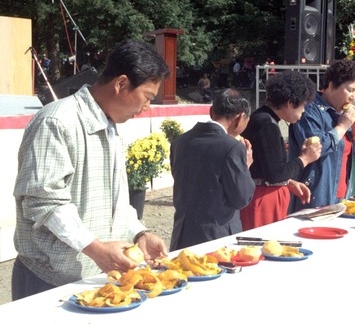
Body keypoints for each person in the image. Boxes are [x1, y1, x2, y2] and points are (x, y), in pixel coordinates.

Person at [12, 40, 170, 300]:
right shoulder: (56, 121)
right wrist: (96, 249)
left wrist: (139, 233)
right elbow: (44, 202)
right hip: (50, 282)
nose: (146, 109)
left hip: (99, 279)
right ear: (120, 84)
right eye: (147, 98)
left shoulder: (110, 128)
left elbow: (116, 203)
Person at [169, 89, 255, 250]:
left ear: (211, 111)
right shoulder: (233, 147)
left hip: (183, 232)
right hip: (218, 235)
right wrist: (246, 167)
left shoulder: (181, 142)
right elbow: (241, 198)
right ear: (240, 118)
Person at [240, 71, 321, 230]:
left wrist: (288, 181)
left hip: (259, 194)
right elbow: (275, 174)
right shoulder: (267, 125)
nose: (303, 111)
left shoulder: (260, 118)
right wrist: (304, 159)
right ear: (290, 103)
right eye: (303, 105)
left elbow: (266, 167)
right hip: (263, 198)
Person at [288, 59, 355, 212]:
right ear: (331, 85)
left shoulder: (342, 114)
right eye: (349, 90)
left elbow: (354, 154)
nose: (353, 97)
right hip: (315, 194)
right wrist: (342, 126)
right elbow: (315, 149)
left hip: (342, 193)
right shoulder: (310, 110)